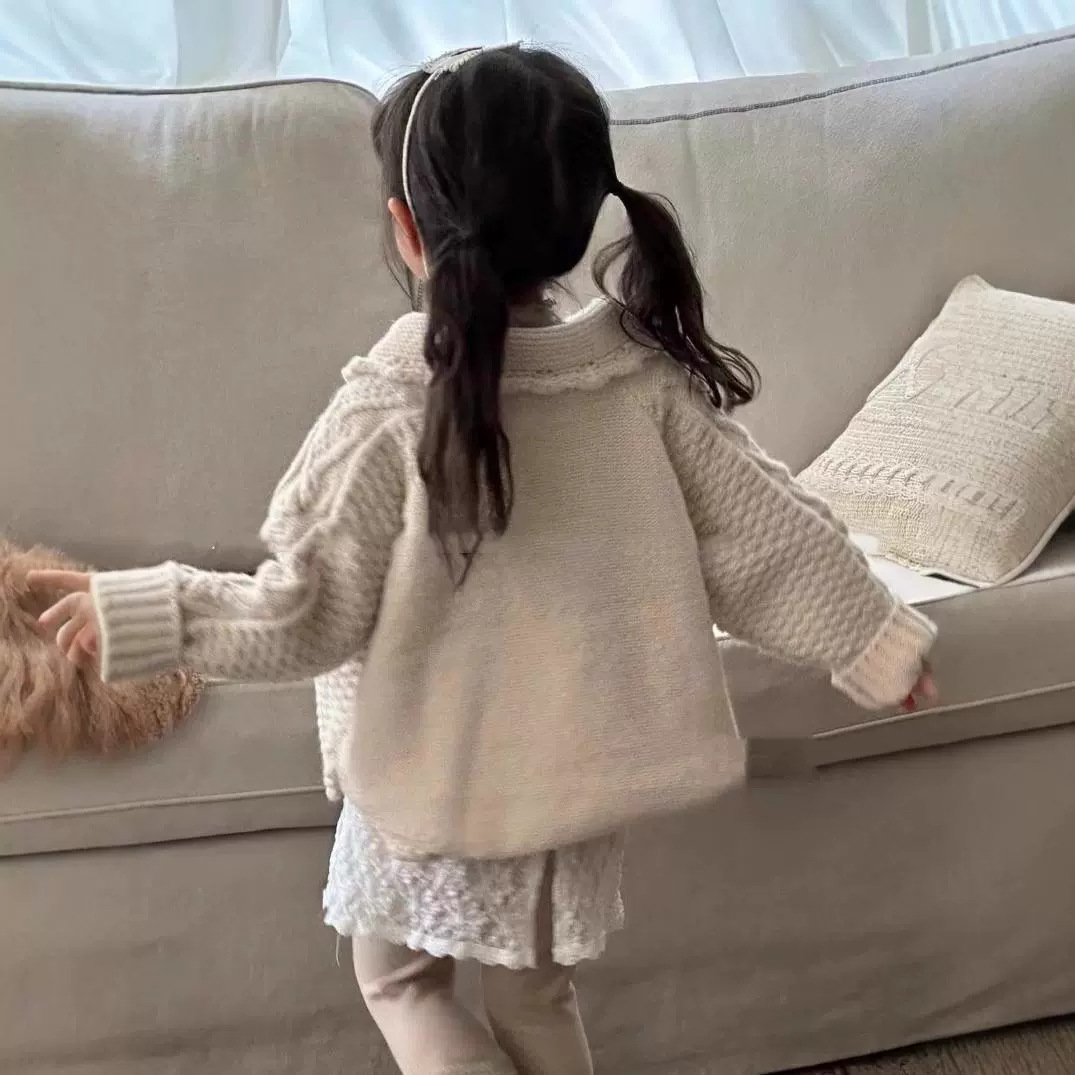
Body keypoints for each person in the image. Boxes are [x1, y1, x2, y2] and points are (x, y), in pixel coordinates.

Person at [32, 43, 937, 1075]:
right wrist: (874, 637)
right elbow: (768, 533)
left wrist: (152, 611)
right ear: (580, 216)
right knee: (537, 998)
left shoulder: (385, 411)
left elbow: (304, 614)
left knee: (403, 986)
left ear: (406, 230)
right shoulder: (636, 386)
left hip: (427, 781)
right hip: (569, 786)